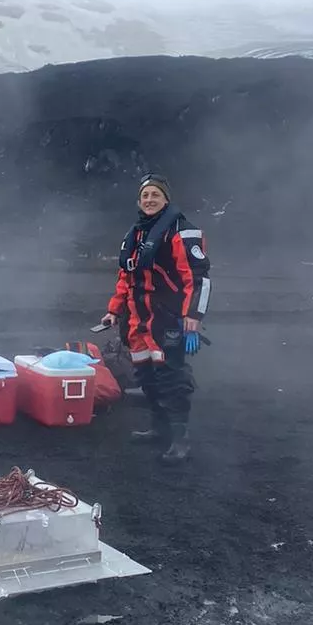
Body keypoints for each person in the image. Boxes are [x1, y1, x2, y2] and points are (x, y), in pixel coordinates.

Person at [100, 173, 211, 464]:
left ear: (166, 200)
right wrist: (114, 310)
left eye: (155, 195)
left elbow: (197, 279)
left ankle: (180, 440)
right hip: (138, 321)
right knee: (146, 376)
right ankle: (159, 429)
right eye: (145, 195)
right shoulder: (135, 235)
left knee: (172, 378)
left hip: (168, 318)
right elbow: (126, 276)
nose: (149, 200)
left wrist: (193, 316)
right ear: (139, 200)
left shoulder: (181, 232)